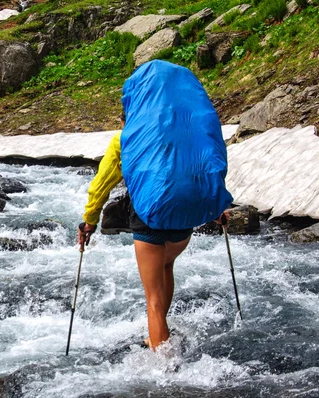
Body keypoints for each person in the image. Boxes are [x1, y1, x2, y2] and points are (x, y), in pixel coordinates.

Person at [77, 60, 233, 350]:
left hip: (149, 217)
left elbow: (101, 184)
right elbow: (204, 167)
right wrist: (215, 209)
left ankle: (163, 363)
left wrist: (89, 221)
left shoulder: (125, 140)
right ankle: (161, 331)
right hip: (184, 222)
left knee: (153, 301)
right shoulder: (186, 134)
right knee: (167, 265)